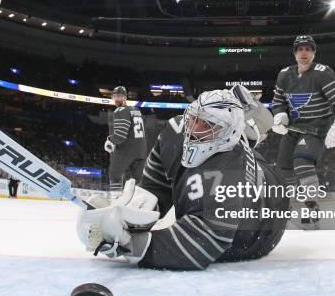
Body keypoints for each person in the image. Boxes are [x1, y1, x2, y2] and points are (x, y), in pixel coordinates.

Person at [78, 88, 289, 270]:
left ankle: (251, 131)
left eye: (207, 125)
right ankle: (251, 130)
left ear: (227, 133)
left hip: (263, 229)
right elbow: (153, 188)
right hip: (240, 153)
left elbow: (203, 242)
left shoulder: (230, 173)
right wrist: (124, 212)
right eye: (194, 117)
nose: (193, 129)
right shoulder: (176, 130)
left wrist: (129, 243)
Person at [271, 35, 335, 229]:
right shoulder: (284, 74)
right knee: (283, 169)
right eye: (300, 49)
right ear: (294, 53)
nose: (304, 53)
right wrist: (280, 114)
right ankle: (284, 210)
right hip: (293, 129)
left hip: (316, 127)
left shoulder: (323, 73)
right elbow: (278, 101)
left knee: (302, 162)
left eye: (308, 49)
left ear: (314, 52)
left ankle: (311, 207)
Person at [104, 86, 147, 195]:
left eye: (118, 96)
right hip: (141, 150)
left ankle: (115, 199)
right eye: (114, 96)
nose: (116, 99)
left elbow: (120, 135)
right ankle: (137, 202)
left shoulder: (120, 110)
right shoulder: (136, 110)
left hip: (128, 149)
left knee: (114, 173)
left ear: (124, 97)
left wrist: (110, 141)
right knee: (136, 180)